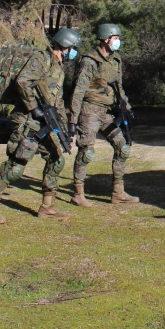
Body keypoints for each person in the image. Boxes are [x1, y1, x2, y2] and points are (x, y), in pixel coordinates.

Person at [0, 28, 81, 224]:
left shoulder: (58, 68)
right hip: (28, 121)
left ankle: (47, 207)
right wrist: (33, 108)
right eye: (73, 48)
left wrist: (64, 130)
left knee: (56, 160)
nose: (74, 53)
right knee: (16, 166)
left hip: (46, 122)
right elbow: (23, 81)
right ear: (65, 45)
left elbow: (57, 102)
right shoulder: (42, 59)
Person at [68, 23, 138, 207]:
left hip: (107, 113)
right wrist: (72, 119)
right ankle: (78, 193)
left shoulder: (116, 60)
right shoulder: (89, 61)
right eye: (116, 38)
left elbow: (119, 88)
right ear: (106, 39)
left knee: (123, 147)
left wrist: (127, 107)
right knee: (87, 152)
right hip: (89, 112)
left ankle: (118, 192)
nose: (118, 42)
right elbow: (78, 91)